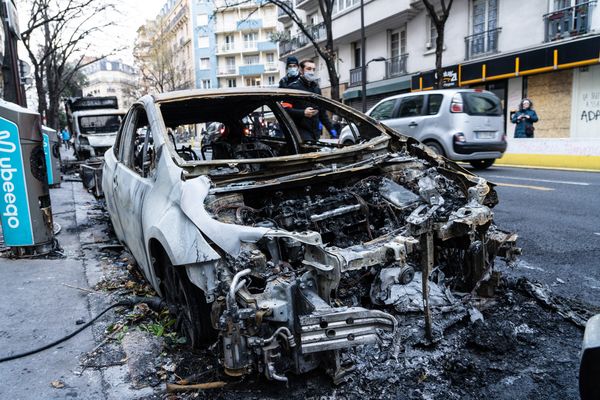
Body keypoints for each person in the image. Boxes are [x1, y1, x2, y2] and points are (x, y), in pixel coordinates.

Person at [285, 59, 337, 141]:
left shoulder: (316, 88)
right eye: (309, 69)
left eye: (313, 69)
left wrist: (331, 129)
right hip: (300, 132)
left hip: (315, 133)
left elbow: (322, 112)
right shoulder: (292, 88)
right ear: (301, 70)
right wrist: (303, 113)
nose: (312, 72)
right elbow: (285, 110)